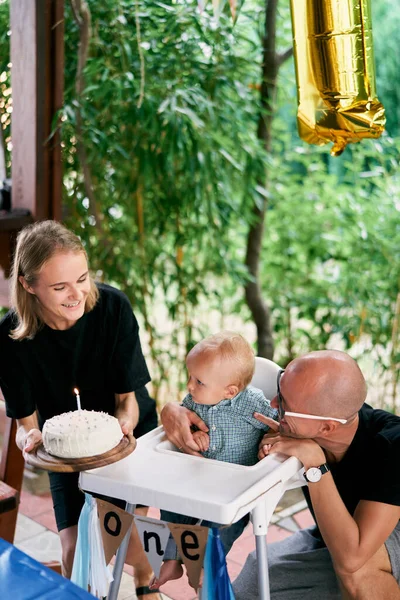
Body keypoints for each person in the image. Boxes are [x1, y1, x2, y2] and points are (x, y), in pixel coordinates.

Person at [0, 220, 161, 600]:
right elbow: (26, 425)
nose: (76, 294)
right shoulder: (9, 339)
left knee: (121, 531)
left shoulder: (114, 309)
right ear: (28, 284)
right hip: (67, 451)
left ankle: (144, 577)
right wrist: (31, 438)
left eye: (82, 279)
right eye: (60, 287)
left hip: (126, 435)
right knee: (74, 548)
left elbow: (128, 403)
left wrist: (121, 430)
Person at [163, 349, 400, 599]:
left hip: (379, 539)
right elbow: (221, 393)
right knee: (253, 582)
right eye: (280, 383)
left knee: (356, 571)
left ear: (327, 427)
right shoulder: (304, 412)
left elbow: (353, 557)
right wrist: (173, 411)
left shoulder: (393, 446)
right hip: (334, 536)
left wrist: (316, 465)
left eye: (285, 403)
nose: (274, 403)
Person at [150, 331, 277, 589]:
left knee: (216, 527)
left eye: (198, 382)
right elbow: (185, 430)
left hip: (235, 489)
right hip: (198, 480)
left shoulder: (250, 404)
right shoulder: (194, 402)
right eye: (190, 377)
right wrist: (195, 436)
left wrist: (270, 443)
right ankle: (171, 560)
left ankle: (206, 568)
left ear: (230, 391)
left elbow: (276, 425)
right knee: (172, 505)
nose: (189, 386)